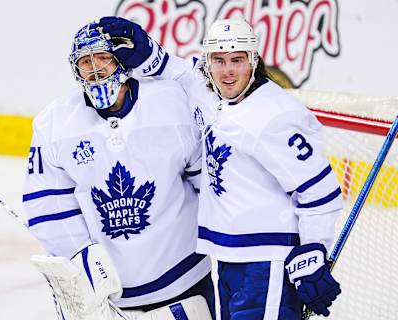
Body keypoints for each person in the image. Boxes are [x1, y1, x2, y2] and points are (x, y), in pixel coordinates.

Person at [97, 16, 343, 320]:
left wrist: (314, 250)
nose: (228, 71)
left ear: (253, 61)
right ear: (208, 62)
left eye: (237, 60)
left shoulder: (274, 116)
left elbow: (321, 191)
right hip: (229, 258)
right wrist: (148, 52)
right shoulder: (210, 91)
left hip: (267, 262)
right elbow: (182, 74)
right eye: (219, 60)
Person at [22, 21, 216, 320]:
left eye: (103, 58)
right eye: (85, 62)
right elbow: (47, 205)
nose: (95, 69)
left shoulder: (171, 102)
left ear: (120, 61)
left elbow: (210, 180)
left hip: (184, 279)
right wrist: (80, 257)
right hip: (108, 295)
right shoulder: (54, 123)